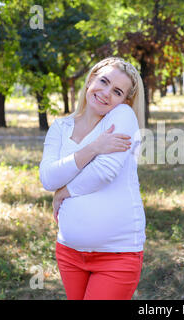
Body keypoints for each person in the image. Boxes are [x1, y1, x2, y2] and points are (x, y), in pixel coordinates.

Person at [39, 57, 146, 300]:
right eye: (103, 81)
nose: (106, 93)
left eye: (117, 91)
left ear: (125, 100)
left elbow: (104, 172)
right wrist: (94, 147)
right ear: (90, 80)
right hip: (69, 252)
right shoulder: (60, 127)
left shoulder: (122, 118)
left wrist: (65, 192)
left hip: (117, 254)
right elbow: (48, 178)